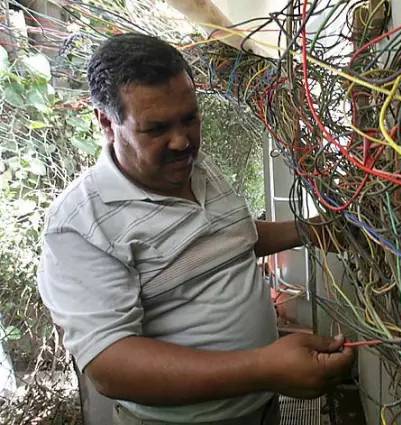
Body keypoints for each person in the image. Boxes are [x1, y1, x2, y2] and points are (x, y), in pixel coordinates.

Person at [37, 33, 354, 425]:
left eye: (189, 118)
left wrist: (313, 231)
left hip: (260, 409)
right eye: (156, 128)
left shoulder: (194, 167)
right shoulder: (80, 225)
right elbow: (110, 365)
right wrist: (264, 368)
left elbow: (227, 240)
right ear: (107, 122)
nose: (181, 141)